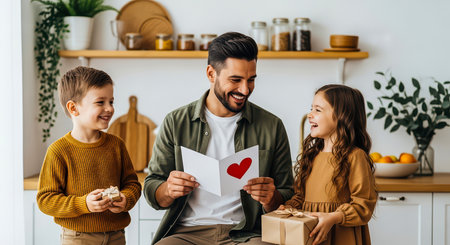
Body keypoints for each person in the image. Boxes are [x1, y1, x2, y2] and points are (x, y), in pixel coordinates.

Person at [143, 32, 294, 244]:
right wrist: (168, 189)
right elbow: (152, 188)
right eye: (235, 80)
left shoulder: (272, 126)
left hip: (247, 234)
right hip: (186, 233)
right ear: (211, 74)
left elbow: (288, 194)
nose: (245, 89)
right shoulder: (176, 122)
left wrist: (271, 198)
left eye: (251, 80)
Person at [37, 66, 142, 245]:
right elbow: (46, 200)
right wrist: (84, 204)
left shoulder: (117, 145)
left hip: (117, 235)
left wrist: (126, 199)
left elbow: (132, 184)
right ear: (73, 108)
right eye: (100, 102)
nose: (109, 108)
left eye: (111, 101)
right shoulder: (59, 151)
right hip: (77, 237)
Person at [280, 84, 377, 245]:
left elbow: (363, 205)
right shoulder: (311, 156)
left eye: (318, 110)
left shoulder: (355, 157)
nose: (310, 115)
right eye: (311, 108)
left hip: (343, 237)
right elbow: (301, 196)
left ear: (341, 116)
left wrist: (333, 217)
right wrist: (288, 208)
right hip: (313, 236)